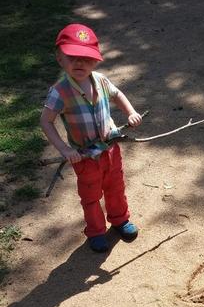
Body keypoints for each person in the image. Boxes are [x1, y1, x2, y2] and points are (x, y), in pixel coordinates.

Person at [40, 23, 142, 252]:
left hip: (110, 149)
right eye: (73, 57)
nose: (80, 63)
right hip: (85, 157)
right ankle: (96, 231)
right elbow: (46, 121)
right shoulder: (60, 91)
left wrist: (131, 112)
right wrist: (65, 150)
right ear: (59, 58)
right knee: (90, 195)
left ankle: (120, 219)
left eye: (86, 58)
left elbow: (118, 95)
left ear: (95, 60)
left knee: (115, 186)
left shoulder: (102, 80)